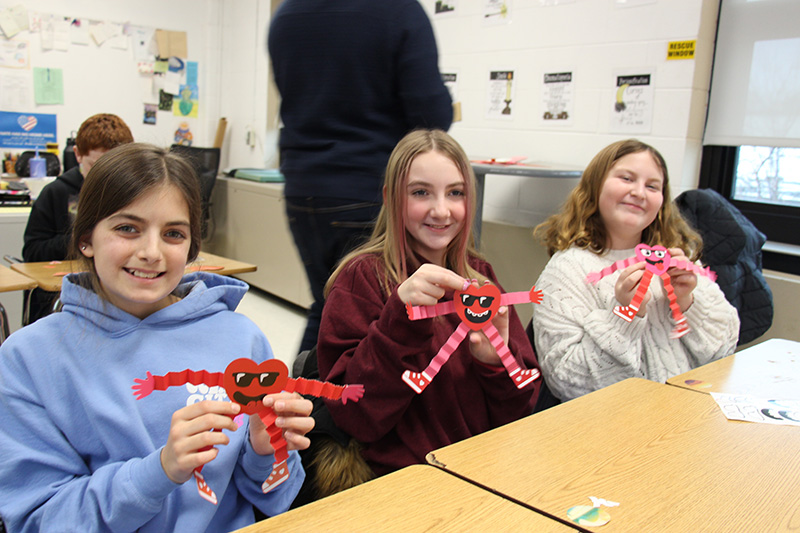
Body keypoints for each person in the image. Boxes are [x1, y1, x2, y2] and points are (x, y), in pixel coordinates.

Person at [0, 143, 313, 532]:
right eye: (127, 228)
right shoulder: (28, 360)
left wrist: (266, 451)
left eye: (173, 234)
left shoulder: (241, 339)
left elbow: (275, 497)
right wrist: (160, 470)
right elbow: (39, 520)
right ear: (86, 239)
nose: (151, 252)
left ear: (192, 246)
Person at [316, 129, 541, 479]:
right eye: (421, 192)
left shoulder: (481, 278)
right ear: (392, 198)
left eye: (456, 193)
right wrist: (399, 322)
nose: (441, 210)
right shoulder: (361, 280)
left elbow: (520, 410)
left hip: (481, 470)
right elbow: (356, 418)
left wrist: (497, 363)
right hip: (405, 481)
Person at [268, 0, 454, 354]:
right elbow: (431, 114)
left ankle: (305, 400)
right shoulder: (398, 11)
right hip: (369, 189)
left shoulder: (287, 15)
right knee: (381, 312)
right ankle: (345, 403)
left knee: (327, 305)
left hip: (303, 186)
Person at [532, 139, 740, 402]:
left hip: (687, 413)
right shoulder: (566, 272)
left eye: (652, 186)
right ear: (595, 187)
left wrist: (687, 302)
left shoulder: (677, 259)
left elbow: (723, 351)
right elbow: (568, 383)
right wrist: (624, 313)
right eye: (627, 179)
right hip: (614, 425)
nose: (640, 193)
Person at [22, 113, 134, 323]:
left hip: (119, 296)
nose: (105, 178)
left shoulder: (132, 196)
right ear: (78, 155)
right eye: (96, 166)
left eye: (114, 168)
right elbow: (33, 252)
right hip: (63, 299)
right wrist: (85, 237)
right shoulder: (55, 193)